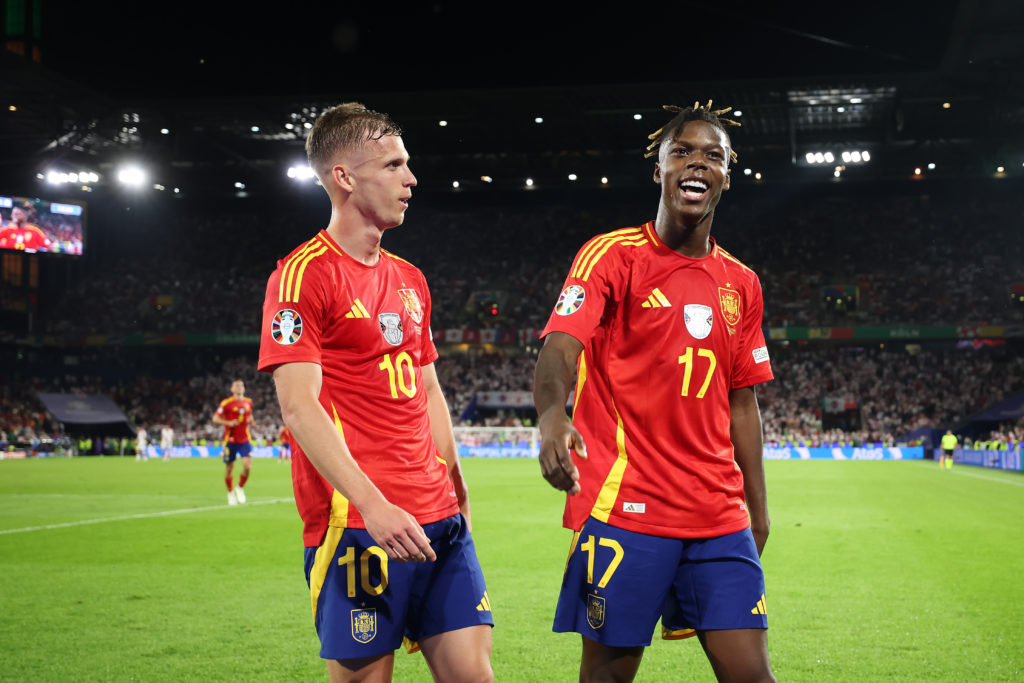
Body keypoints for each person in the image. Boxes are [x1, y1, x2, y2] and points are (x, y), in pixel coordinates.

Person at [533, 101, 776, 683]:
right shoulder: (613, 256)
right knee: (608, 678)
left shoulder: (741, 283)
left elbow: (743, 402)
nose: (697, 163)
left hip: (719, 513)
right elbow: (560, 347)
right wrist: (551, 417)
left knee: (754, 676)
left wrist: (758, 510)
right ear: (660, 169)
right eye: (682, 152)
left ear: (726, 174)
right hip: (627, 508)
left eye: (712, 155)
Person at [257, 102, 493, 683]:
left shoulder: (410, 278)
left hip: (439, 516)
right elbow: (297, 406)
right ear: (344, 177)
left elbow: (429, 385)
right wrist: (372, 503)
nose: (410, 179)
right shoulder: (302, 275)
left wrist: (454, 474)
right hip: (358, 525)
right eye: (393, 165)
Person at [211, 379, 254, 505]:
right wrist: (228, 423)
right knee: (230, 467)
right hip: (230, 440)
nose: (240, 387)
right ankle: (230, 492)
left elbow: (249, 415)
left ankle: (239, 488)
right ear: (232, 389)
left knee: (247, 466)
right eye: (237, 385)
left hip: (245, 439)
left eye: (242, 385)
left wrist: (252, 421)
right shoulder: (226, 403)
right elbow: (215, 419)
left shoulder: (249, 402)